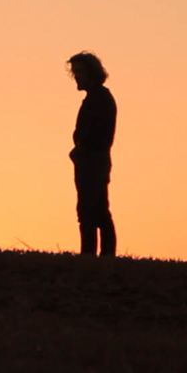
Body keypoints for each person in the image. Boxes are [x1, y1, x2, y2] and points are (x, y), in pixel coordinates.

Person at [67, 51, 117, 257]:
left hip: (93, 161)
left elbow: (97, 135)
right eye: (75, 72)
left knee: (91, 211)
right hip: (90, 160)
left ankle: (92, 255)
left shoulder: (100, 99)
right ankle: (99, 255)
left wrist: (81, 150)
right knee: (94, 209)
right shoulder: (96, 98)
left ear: (91, 73)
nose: (76, 76)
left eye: (80, 72)